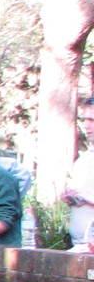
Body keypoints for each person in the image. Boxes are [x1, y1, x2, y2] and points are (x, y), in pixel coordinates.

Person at [62, 95, 94, 249]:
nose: (86, 126)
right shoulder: (84, 159)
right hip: (80, 246)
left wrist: (86, 197)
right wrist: (70, 197)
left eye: (92, 120)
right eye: (84, 120)